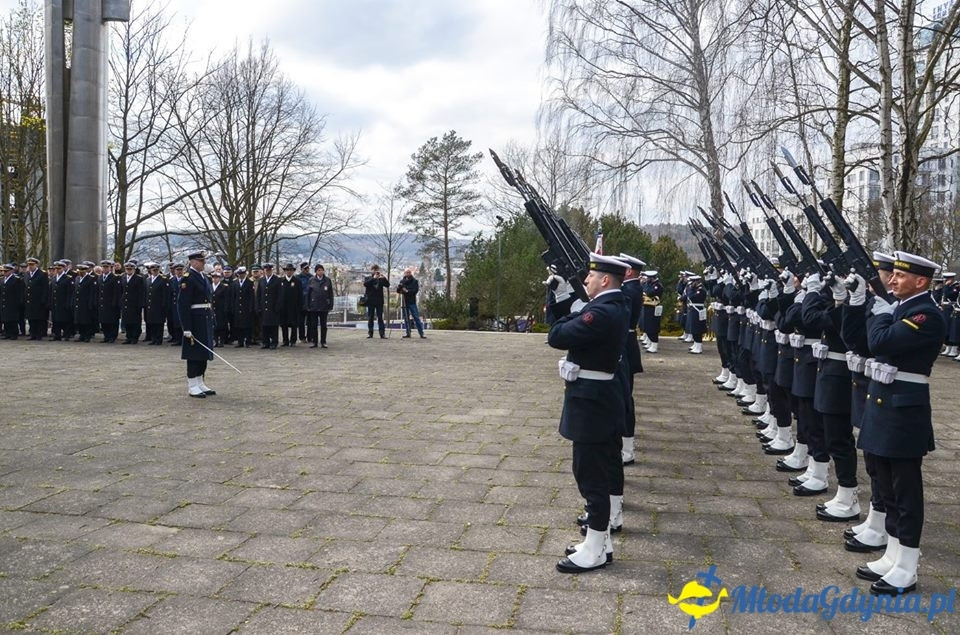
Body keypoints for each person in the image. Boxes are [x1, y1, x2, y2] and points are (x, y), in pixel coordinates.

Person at [853, 252, 946, 596]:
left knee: (905, 490)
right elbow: (867, 341)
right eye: (892, 275)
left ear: (921, 282)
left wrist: (880, 312)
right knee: (884, 483)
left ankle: (907, 565)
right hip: (883, 406)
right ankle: (892, 553)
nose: (891, 280)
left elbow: (880, 343)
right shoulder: (901, 309)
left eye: (900, 276)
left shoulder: (926, 314)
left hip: (904, 413)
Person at [548, 253, 630, 573]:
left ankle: (595, 550)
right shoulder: (612, 306)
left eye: (591, 277)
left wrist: (571, 312)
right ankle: (601, 541)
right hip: (600, 400)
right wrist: (563, 298)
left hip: (592, 404)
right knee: (603, 470)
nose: (586, 281)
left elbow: (557, 335)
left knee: (590, 474)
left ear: (605, 280)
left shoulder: (603, 312)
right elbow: (570, 321)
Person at [178, 251, 216, 398]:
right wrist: (186, 327)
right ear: (193, 262)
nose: (203, 263)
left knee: (203, 353)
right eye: (200, 261)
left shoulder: (204, 277)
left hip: (204, 319)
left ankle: (200, 382)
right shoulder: (188, 278)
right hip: (194, 320)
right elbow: (183, 305)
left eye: (203, 261)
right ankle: (192, 385)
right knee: (194, 354)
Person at [306, 264, 334, 348]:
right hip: (314, 306)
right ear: (316, 271)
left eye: (322, 270)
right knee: (313, 325)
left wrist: (331, 304)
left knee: (323, 325)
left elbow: (330, 294)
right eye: (318, 270)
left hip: (324, 306)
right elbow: (308, 294)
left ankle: (323, 341)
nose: (320, 272)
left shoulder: (327, 280)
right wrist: (308, 305)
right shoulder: (311, 280)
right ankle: (314, 342)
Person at [119, 261, 145, 344]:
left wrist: (140, 304)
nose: (129, 271)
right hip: (125, 303)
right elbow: (121, 291)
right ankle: (128, 337)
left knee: (135, 321)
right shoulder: (123, 277)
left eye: (130, 269)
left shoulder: (138, 278)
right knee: (127, 321)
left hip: (134, 303)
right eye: (127, 269)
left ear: (134, 269)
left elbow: (141, 292)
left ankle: (135, 337)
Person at [23, 257, 49, 340]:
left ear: (36, 265)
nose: (30, 266)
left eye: (32, 264)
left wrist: (43, 299)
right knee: (31, 318)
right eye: (29, 264)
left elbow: (45, 288)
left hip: (38, 300)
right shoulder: (27, 274)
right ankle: (32, 333)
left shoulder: (42, 274)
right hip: (29, 300)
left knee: (38, 318)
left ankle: (39, 334)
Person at [96, 259, 121, 343]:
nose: (105, 269)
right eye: (104, 267)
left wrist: (115, 303)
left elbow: (116, 292)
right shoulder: (99, 278)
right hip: (102, 303)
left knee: (112, 321)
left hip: (111, 303)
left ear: (110, 268)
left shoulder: (115, 278)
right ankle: (106, 336)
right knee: (104, 321)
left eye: (107, 267)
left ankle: (112, 336)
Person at [143, 263, 169, 345]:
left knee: (159, 323)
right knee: (151, 323)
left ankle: (158, 339)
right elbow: (146, 293)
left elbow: (165, 294)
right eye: (153, 270)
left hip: (159, 305)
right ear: (150, 270)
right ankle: (153, 339)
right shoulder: (148, 280)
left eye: (156, 270)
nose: (155, 272)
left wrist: (164, 305)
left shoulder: (163, 279)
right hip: (150, 305)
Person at [256, 263, 280, 349]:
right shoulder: (261, 280)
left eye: (269, 270)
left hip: (273, 307)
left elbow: (279, 295)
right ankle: (265, 342)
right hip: (263, 306)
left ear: (271, 270)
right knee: (264, 325)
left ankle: (274, 342)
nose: (268, 271)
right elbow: (258, 294)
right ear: (264, 271)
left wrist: (277, 306)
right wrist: (258, 306)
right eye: (266, 270)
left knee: (273, 326)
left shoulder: (277, 280)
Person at [72, 262, 97, 342]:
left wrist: (90, 304)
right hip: (78, 303)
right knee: (79, 320)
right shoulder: (77, 279)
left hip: (86, 303)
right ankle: (81, 335)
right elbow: (75, 291)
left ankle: (87, 336)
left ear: (85, 270)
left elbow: (92, 292)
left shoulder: (90, 279)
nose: (80, 272)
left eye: (82, 270)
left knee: (86, 321)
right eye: (79, 270)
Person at [278, 263, 303, 346]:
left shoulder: (297, 281)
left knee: (294, 325)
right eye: (287, 270)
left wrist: (300, 306)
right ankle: (285, 340)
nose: (289, 271)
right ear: (285, 271)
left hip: (294, 307)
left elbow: (300, 295)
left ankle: (293, 340)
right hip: (283, 307)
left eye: (290, 270)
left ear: (293, 271)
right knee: (283, 324)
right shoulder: (281, 281)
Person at [397, 268, 425, 338]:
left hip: (412, 302)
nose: (407, 274)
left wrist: (407, 291)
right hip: (404, 302)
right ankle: (408, 333)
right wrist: (399, 288)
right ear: (404, 273)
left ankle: (421, 333)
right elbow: (398, 291)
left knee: (416, 317)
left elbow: (415, 291)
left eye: (409, 272)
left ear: (411, 273)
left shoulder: (414, 281)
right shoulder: (402, 281)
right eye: (406, 273)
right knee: (406, 318)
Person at [231, 267, 256, 347]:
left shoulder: (249, 283)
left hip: (246, 307)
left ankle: (248, 342)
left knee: (247, 326)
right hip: (237, 307)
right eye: (239, 274)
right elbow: (233, 296)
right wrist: (233, 307)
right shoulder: (235, 283)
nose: (241, 275)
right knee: (238, 326)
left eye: (242, 274)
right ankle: (240, 342)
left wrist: (251, 307)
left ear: (245, 274)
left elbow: (251, 297)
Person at [50, 261, 74, 341]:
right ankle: (57, 335)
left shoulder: (68, 278)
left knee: (65, 319)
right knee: (56, 320)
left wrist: (68, 303)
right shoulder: (54, 278)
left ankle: (66, 334)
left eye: (59, 268)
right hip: (55, 302)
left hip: (63, 302)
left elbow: (69, 292)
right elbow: (52, 291)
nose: (57, 270)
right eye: (56, 268)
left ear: (63, 268)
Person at [364, 265, 390, 338]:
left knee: (380, 317)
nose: (375, 271)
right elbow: (365, 284)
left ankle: (382, 334)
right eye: (374, 270)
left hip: (379, 301)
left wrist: (384, 278)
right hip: (370, 301)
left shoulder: (381, 279)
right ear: (371, 270)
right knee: (370, 317)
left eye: (377, 270)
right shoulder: (368, 278)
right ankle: (370, 333)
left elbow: (388, 285)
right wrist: (373, 278)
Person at [0, 263, 25, 339]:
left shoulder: (16, 280)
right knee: (5, 319)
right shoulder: (2, 280)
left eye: (6, 271)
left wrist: (19, 302)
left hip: (12, 302)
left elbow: (20, 292)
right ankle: (7, 333)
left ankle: (14, 333)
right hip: (4, 302)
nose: (4, 273)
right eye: (4, 271)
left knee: (12, 319)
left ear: (11, 271)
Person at [641, 270, 663, 352]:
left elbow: (649, 293)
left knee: (653, 326)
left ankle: (654, 345)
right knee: (647, 326)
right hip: (647, 307)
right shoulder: (649, 284)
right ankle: (650, 343)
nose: (646, 279)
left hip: (653, 307)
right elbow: (644, 290)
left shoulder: (657, 286)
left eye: (648, 278)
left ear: (652, 278)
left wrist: (645, 292)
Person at [210, 271, 231, 347]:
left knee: (221, 326)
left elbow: (226, 299)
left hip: (221, 309)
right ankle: (215, 340)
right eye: (214, 277)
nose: (215, 279)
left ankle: (221, 341)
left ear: (219, 278)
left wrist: (226, 309)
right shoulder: (210, 286)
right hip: (212, 308)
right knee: (214, 326)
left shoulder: (224, 287)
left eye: (217, 277)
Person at [167, 263, 185, 345]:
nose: (179, 272)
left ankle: (183, 339)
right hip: (174, 304)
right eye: (177, 270)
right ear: (174, 270)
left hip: (183, 304)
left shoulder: (186, 279)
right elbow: (170, 293)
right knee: (175, 322)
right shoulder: (171, 280)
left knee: (183, 322)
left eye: (180, 270)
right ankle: (177, 339)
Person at [296, 262, 311, 342]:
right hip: (301, 302)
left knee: (310, 321)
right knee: (301, 322)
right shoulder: (297, 278)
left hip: (309, 302)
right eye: (305, 268)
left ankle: (310, 336)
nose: (307, 270)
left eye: (308, 268)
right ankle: (302, 337)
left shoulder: (311, 277)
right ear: (301, 269)